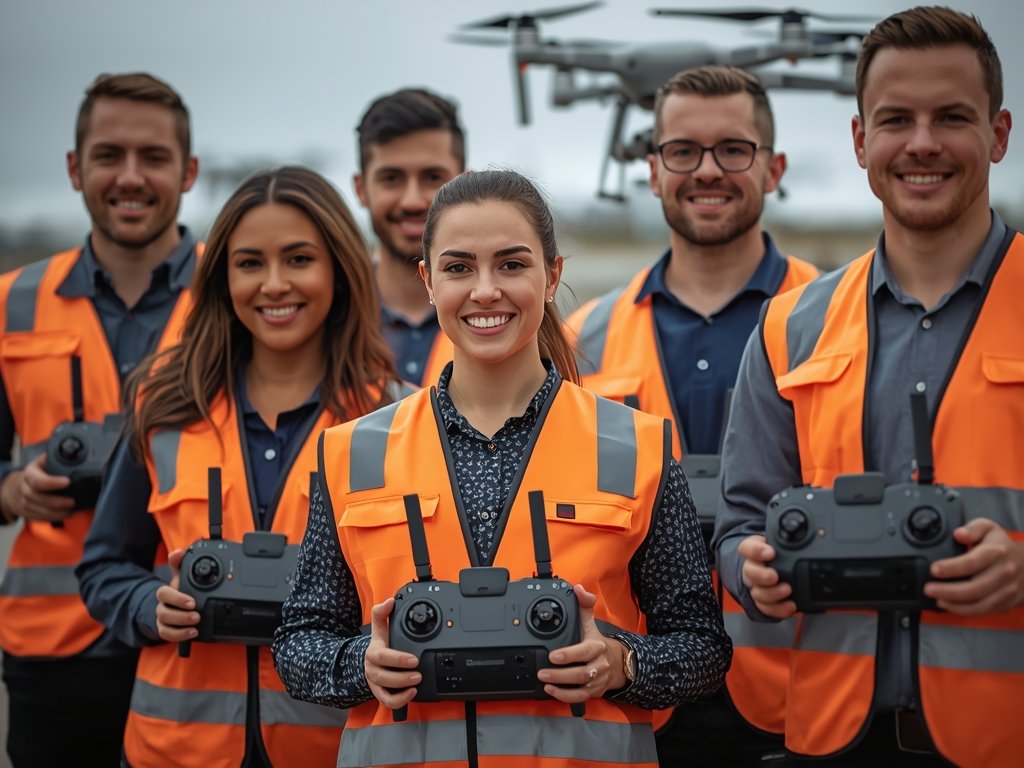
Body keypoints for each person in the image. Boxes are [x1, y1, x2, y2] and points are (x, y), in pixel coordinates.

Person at [273, 169, 731, 768]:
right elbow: (298, 641)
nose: (485, 290)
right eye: (459, 268)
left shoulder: (637, 446)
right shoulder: (352, 452)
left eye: (511, 265)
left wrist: (623, 665)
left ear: (553, 275)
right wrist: (359, 665)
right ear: (428, 281)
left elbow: (702, 645)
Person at [714, 7, 1022, 766]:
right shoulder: (791, 327)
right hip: (833, 735)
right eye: (895, 120)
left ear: (999, 133)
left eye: (952, 116)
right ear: (860, 141)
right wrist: (751, 566)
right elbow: (736, 523)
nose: (922, 143)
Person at [77, 166, 403, 767]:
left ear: (339, 268)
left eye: (299, 259)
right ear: (222, 277)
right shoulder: (162, 406)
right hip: (174, 749)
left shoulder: (395, 420)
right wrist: (150, 605)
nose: (274, 284)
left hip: (329, 748)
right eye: (250, 263)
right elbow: (103, 567)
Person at [567, 65, 819, 765]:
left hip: (796, 697)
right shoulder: (583, 338)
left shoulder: (837, 323)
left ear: (774, 168)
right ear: (651, 170)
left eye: (734, 149)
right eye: (682, 151)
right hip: (634, 697)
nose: (707, 170)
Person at [0, 72, 199, 768]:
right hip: (54, 647)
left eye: (154, 157)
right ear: (74, 167)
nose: (131, 177)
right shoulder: (10, 304)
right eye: (110, 155)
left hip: (198, 643)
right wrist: (10, 490)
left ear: (190, 171)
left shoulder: (241, 299)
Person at [354, 87, 465, 386]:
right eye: (391, 179)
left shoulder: (504, 318)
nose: (413, 201)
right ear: (361, 188)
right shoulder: (326, 318)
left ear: (464, 182)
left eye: (432, 177)